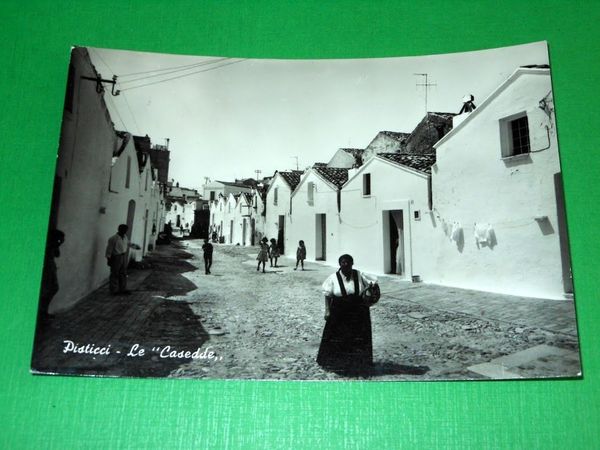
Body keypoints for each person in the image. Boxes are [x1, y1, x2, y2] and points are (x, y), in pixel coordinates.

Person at [316, 254, 378, 374]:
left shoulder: (359, 275)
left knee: (358, 336)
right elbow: (328, 295)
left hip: (358, 309)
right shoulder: (333, 278)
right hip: (339, 310)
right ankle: (338, 363)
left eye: (348, 262)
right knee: (338, 337)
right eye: (343, 262)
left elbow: (373, 283)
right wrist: (327, 310)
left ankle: (359, 362)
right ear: (340, 264)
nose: (345, 265)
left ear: (352, 264)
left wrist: (370, 292)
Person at [38, 229, 65, 319]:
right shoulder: (47, 246)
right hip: (47, 268)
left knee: (54, 288)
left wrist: (57, 245)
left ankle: (43, 311)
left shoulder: (53, 246)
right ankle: (41, 312)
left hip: (51, 267)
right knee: (47, 289)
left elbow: (57, 254)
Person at [105, 224, 131, 295]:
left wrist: (135, 246)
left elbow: (128, 243)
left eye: (126, 230)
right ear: (119, 229)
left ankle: (123, 289)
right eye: (123, 229)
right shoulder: (113, 238)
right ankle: (113, 290)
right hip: (116, 257)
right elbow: (109, 250)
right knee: (115, 273)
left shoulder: (125, 237)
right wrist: (109, 259)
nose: (125, 231)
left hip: (123, 256)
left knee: (123, 273)